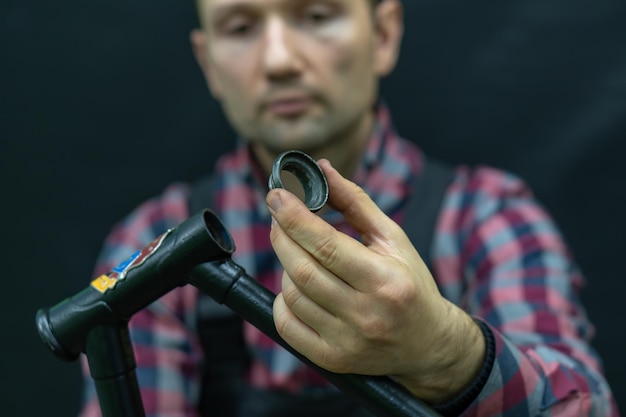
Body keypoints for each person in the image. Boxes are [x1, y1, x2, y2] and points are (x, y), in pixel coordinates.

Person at [79, 0, 618, 416]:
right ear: (209, 63)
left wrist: (447, 354)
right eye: (240, 28)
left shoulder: (488, 216)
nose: (279, 60)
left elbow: (584, 406)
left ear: (382, 34)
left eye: (316, 15)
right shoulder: (155, 241)